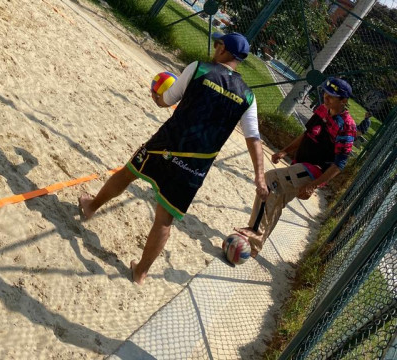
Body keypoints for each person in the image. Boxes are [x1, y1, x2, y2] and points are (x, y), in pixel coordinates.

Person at [78, 32, 267, 284]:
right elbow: (253, 138)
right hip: (195, 166)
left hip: (165, 146)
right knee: (164, 219)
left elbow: (166, 101)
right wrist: (259, 176)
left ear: (224, 51)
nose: (214, 47)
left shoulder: (200, 69)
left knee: (127, 174)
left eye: (217, 44)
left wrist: (156, 95)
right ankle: (141, 272)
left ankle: (90, 207)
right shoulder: (248, 97)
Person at [236, 77, 357, 257]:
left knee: (270, 179)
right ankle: (254, 246)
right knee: (277, 200)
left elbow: (339, 164)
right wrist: (284, 151)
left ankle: (254, 231)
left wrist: (313, 185)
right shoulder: (322, 110)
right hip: (299, 163)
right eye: (326, 93)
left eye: (332, 96)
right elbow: (307, 135)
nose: (326, 97)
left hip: (314, 171)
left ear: (344, 101)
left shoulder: (347, 126)